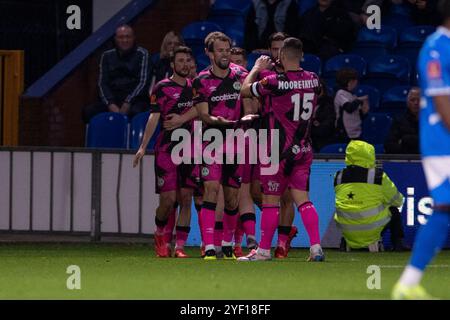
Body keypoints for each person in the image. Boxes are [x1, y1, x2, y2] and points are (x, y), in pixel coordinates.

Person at [239, 37, 325, 262]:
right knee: (303, 200)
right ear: (301, 56)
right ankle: (316, 247)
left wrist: (257, 68)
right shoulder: (314, 79)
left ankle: (264, 250)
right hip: (304, 148)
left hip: (277, 149)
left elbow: (244, 91)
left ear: (282, 57)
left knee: (270, 200)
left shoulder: (275, 82)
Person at [392, 0, 450, 299]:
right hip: (442, 144)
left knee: (444, 210)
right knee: (443, 208)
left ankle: (408, 282)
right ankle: (408, 283)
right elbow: (441, 101)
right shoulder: (437, 47)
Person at [132, 46, 199, 258]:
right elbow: (154, 116)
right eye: (180, 61)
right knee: (168, 200)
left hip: (190, 149)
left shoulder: (196, 87)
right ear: (172, 64)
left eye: (188, 60)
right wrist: (143, 146)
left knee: (186, 198)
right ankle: (160, 232)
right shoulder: (162, 87)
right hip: (167, 150)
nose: (185, 64)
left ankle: (179, 246)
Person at [193, 32, 253, 260]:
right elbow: (204, 116)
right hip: (212, 141)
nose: (225, 54)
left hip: (236, 142)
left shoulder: (241, 76)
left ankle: (227, 243)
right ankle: (208, 245)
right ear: (209, 53)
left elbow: (254, 94)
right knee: (211, 190)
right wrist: (222, 122)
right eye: (220, 50)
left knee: (231, 199)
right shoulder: (201, 81)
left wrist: (249, 114)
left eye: (227, 50)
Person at [334, 140, 406, 252]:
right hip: (372, 228)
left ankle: (345, 241)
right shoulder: (378, 176)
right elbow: (397, 201)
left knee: (345, 207)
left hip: (346, 228)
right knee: (393, 209)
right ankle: (398, 244)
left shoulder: (338, 176)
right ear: (369, 154)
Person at [82, 25, 151, 123]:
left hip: (135, 99)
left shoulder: (143, 54)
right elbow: (102, 84)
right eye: (121, 37)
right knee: (89, 111)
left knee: (137, 112)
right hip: (113, 98)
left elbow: (143, 83)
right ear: (115, 39)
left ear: (133, 38)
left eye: (128, 37)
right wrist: (110, 104)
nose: (125, 40)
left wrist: (128, 102)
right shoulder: (106, 56)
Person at [334, 68, 370, 142]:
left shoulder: (353, 96)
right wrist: (359, 100)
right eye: (354, 80)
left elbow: (359, 115)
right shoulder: (340, 93)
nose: (356, 82)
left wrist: (365, 110)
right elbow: (349, 108)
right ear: (349, 82)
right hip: (344, 133)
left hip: (356, 133)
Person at [384, 87, 420, 154]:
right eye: (412, 100)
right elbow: (389, 146)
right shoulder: (399, 120)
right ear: (407, 102)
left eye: (419, 100)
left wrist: (405, 140)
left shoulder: (431, 121)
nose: (416, 103)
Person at [311, 79, 336, 152]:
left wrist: (313, 126)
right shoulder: (303, 102)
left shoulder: (329, 104)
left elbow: (326, 128)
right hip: (308, 141)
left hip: (324, 141)